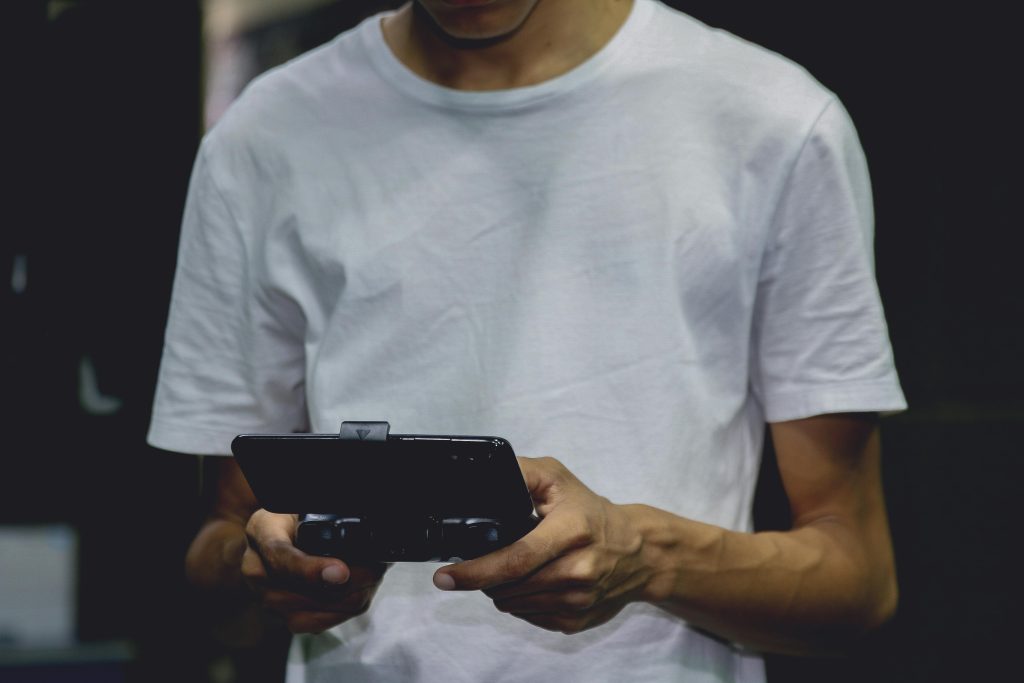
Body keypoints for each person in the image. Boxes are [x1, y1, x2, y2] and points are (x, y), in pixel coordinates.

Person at [147, 0, 907, 681]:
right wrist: (267, 566)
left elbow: (857, 580)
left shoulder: (771, 123)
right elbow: (219, 546)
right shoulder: (265, 139)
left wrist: (643, 554)